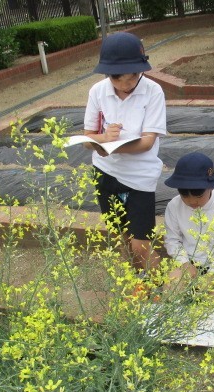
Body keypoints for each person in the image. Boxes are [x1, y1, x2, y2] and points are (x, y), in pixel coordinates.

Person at [82, 32, 167, 272]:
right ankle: (137, 281)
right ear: (108, 74)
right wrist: (103, 139)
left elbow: (147, 142)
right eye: (117, 79)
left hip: (140, 176)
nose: (125, 84)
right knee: (121, 237)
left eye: (132, 77)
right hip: (105, 171)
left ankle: (161, 286)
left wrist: (112, 146)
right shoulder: (97, 91)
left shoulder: (153, 91)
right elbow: (88, 138)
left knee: (141, 244)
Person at [163, 152, 214, 285]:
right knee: (172, 284)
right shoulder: (174, 205)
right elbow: (172, 240)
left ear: (211, 187)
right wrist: (184, 263)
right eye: (185, 196)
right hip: (190, 263)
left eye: (199, 197)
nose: (192, 202)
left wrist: (213, 273)